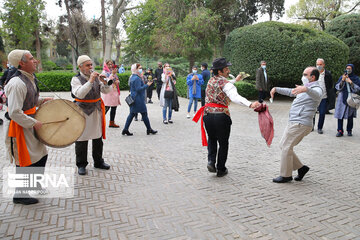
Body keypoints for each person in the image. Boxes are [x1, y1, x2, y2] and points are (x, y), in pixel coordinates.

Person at [193, 58, 261, 177]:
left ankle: (211, 161)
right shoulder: (225, 84)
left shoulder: (211, 81)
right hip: (221, 116)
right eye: (226, 69)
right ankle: (221, 168)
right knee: (223, 143)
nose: (229, 70)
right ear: (220, 71)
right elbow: (234, 96)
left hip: (208, 115)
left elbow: (224, 84)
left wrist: (235, 80)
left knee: (212, 139)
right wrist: (250, 104)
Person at [4, 49, 52, 204]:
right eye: (31, 59)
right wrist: (33, 123)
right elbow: (14, 112)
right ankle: (20, 195)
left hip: (31, 123)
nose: (35, 61)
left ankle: (35, 184)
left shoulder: (29, 78)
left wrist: (42, 101)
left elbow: (29, 100)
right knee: (24, 160)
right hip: (22, 126)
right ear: (21, 63)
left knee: (41, 155)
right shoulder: (17, 83)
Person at [270, 67, 323, 183]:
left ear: (312, 77)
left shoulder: (316, 88)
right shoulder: (305, 88)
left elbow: (318, 95)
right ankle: (301, 168)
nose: (303, 76)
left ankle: (286, 175)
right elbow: (291, 92)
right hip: (294, 121)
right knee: (283, 145)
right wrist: (276, 89)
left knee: (286, 147)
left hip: (301, 123)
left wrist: (306, 89)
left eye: (305, 74)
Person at [71, 55, 112, 175]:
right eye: (87, 65)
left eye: (91, 65)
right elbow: (80, 94)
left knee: (97, 137)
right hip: (83, 111)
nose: (90, 67)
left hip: (96, 110)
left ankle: (98, 161)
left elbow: (106, 92)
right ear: (80, 67)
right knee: (82, 138)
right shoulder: (76, 79)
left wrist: (105, 83)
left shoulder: (96, 77)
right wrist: (90, 81)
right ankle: (81, 164)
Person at [122, 63, 157, 136]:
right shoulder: (137, 78)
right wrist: (147, 85)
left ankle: (125, 129)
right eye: (139, 68)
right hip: (138, 99)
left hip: (134, 98)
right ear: (135, 69)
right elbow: (139, 89)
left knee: (132, 114)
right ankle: (149, 129)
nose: (141, 69)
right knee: (144, 113)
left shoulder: (133, 77)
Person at [334, 64, 360, 137]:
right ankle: (340, 130)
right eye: (347, 68)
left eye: (350, 68)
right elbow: (338, 87)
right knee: (340, 115)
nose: (348, 70)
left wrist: (350, 82)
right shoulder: (342, 77)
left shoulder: (356, 78)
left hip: (351, 98)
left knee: (350, 116)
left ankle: (349, 130)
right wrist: (342, 80)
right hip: (342, 98)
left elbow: (357, 89)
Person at [313, 58, 333, 134]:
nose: (319, 66)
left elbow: (330, 85)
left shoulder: (327, 74)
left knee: (322, 113)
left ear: (323, 65)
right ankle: (311, 126)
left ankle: (320, 128)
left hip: (324, 97)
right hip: (314, 97)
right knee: (313, 112)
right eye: (317, 64)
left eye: (320, 64)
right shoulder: (313, 73)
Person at [101, 60, 121, 128]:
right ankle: (99, 122)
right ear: (106, 65)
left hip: (114, 92)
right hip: (108, 93)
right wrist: (112, 74)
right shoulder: (104, 73)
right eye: (109, 64)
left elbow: (116, 79)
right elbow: (107, 82)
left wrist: (117, 81)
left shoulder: (113, 72)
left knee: (114, 108)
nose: (110, 66)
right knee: (106, 108)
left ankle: (112, 122)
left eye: (111, 64)